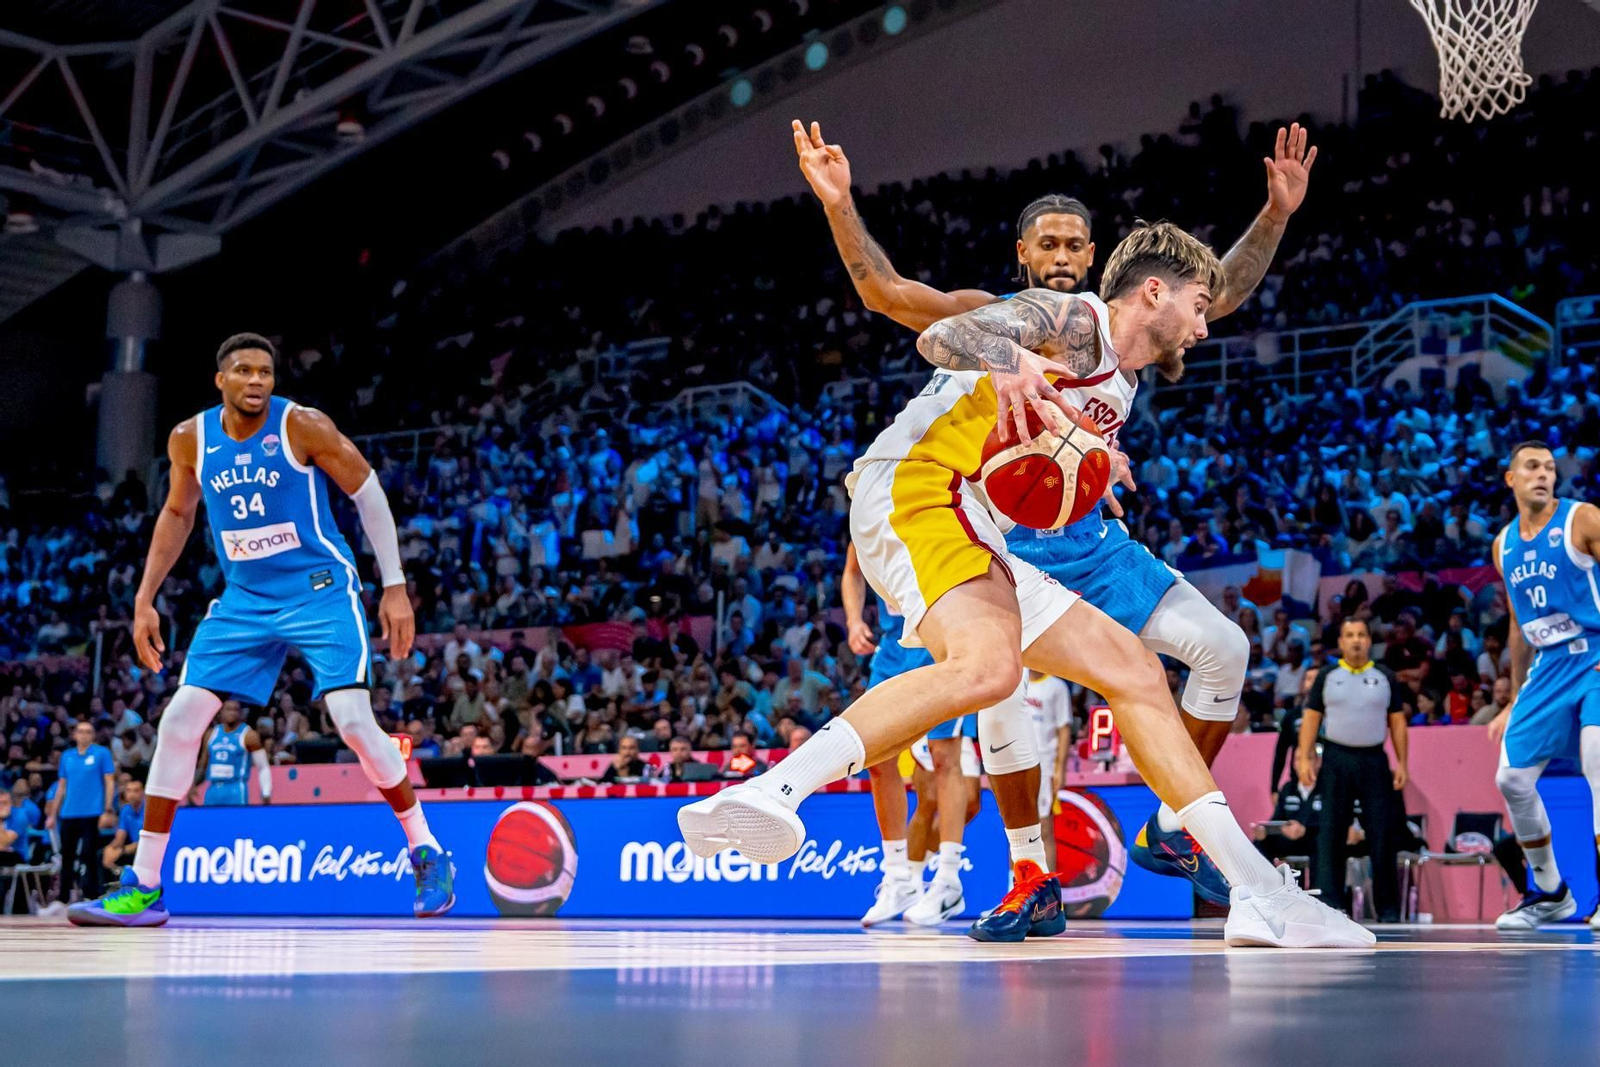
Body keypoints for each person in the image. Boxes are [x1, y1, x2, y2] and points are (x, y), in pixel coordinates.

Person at [679, 222, 1370, 949]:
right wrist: (1008, 359)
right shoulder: (1073, 321)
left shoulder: (1119, 385)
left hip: (970, 511)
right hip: (916, 483)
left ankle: (1256, 893)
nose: (1205, 322)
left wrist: (1092, 466)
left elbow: (1039, 458)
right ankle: (774, 788)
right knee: (988, 670)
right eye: (1198, 304)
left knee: (1132, 669)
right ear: (1155, 292)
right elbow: (937, 338)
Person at [791, 117, 1319, 913]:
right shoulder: (999, 317)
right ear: (1025, 259)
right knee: (1000, 698)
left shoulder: (1127, 329)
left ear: (1100, 260)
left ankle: (1176, 824)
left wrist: (1275, 214)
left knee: (1221, 650)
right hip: (1001, 534)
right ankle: (1031, 875)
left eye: (1078, 245)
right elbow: (890, 296)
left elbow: (1222, 292)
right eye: (1050, 245)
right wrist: (838, 203)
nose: (1065, 257)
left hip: (1090, 542)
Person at [68, 333, 453, 928]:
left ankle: (425, 848)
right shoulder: (189, 438)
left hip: (319, 588)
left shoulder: (303, 425)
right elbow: (177, 513)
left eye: (266, 373)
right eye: (244, 371)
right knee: (178, 721)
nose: (256, 381)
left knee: (353, 722)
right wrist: (144, 599)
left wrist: (395, 586)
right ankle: (144, 886)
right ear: (219, 379)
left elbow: (369, 493)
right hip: (245, 599)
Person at [1484, 441, 1600, 930]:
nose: (1544, 474)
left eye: (1550, 468)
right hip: (1547, 667)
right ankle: (1551, 891)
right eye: (1532, 466)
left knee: (1599, 764)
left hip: (1594, 655)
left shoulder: (1583, 519)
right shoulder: (1503, 544)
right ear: (1510, 478)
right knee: (1511, 779)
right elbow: (1516, 623)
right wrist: (1511, 697)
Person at [844, 544, 987, 928]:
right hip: (892, 651)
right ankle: (898, 877)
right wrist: (854, 621)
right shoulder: (871, 510)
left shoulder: (934, 498)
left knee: (946, 759)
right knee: (876, 758)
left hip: (939, 642)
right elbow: (853, 569)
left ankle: (948, 880)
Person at [1296, 618, 1409, 921]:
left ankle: (1387, 910)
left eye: (1361, 634)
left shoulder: (1384, 676)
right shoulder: (1327, 675)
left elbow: (1397, 721)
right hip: (1336, 759)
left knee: (1382, 834)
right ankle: (1329, 905)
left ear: (1370, 640)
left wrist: (1403, 763)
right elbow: (1311, 717)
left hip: (1374, 759)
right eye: (1349, 635)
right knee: (1331, 831)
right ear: (1341, 642)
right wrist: (1304, 757)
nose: (1356, 640)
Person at [43, 720, 116, 915]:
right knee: (66, 856)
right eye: (81, 731)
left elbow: (109, 782)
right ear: (74, 735)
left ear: (93, 735)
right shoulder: (67, 756)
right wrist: (52, 814)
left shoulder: (101, 754)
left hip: (92, 812)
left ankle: (91, 896)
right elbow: (62, 786)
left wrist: (107, 809)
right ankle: (62, 899)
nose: (84, 735)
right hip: (69, 812)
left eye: (88, 732)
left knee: (89, 855)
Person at [1026, 671, 1073, 869]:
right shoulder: (1014, 682)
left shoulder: (1057, 686)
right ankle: (1014, 887)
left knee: (1044, 827)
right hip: (1016, 763)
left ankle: (1048, 888)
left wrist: (1060, 768)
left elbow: (1064, 729)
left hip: (1044, 764)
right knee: (1017, 830)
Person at [192, 700, 270, 806]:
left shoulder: (249, 735)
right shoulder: (211, 734)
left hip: (236, 789)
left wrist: (266, 793)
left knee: (236, 822)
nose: (232, 713)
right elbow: (203, 766)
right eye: (228, 709)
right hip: (213, 789)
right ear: (221, 712)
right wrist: (193, 785)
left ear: (240, 713)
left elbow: (263, 767)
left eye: (235, 710)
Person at [102, 779, 145, 878]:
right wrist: (110, 848)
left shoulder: (148, 811)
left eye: (136, 791)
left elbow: (146, 842)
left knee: (121, 855)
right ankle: (103, 890)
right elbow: (120, 838)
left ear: (143, 792)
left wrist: (121, 851)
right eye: (129, 791)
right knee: (102, 854)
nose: (132, 794)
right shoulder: (126, 810)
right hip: (132, 848)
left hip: (146, 849)